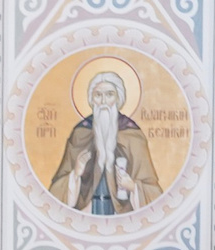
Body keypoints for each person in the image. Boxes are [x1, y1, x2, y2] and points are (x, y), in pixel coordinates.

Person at [48, 72, 163, 214]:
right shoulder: (81, 133)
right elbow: (54, 193)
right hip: (87, 213)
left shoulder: (133, 135)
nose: (103, 101)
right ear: (92, 99)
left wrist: (133, 187)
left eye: (109, 95)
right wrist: (75, 175)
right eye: (98, 95)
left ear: (118, 98)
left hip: (121, 217)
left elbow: (154, 193)